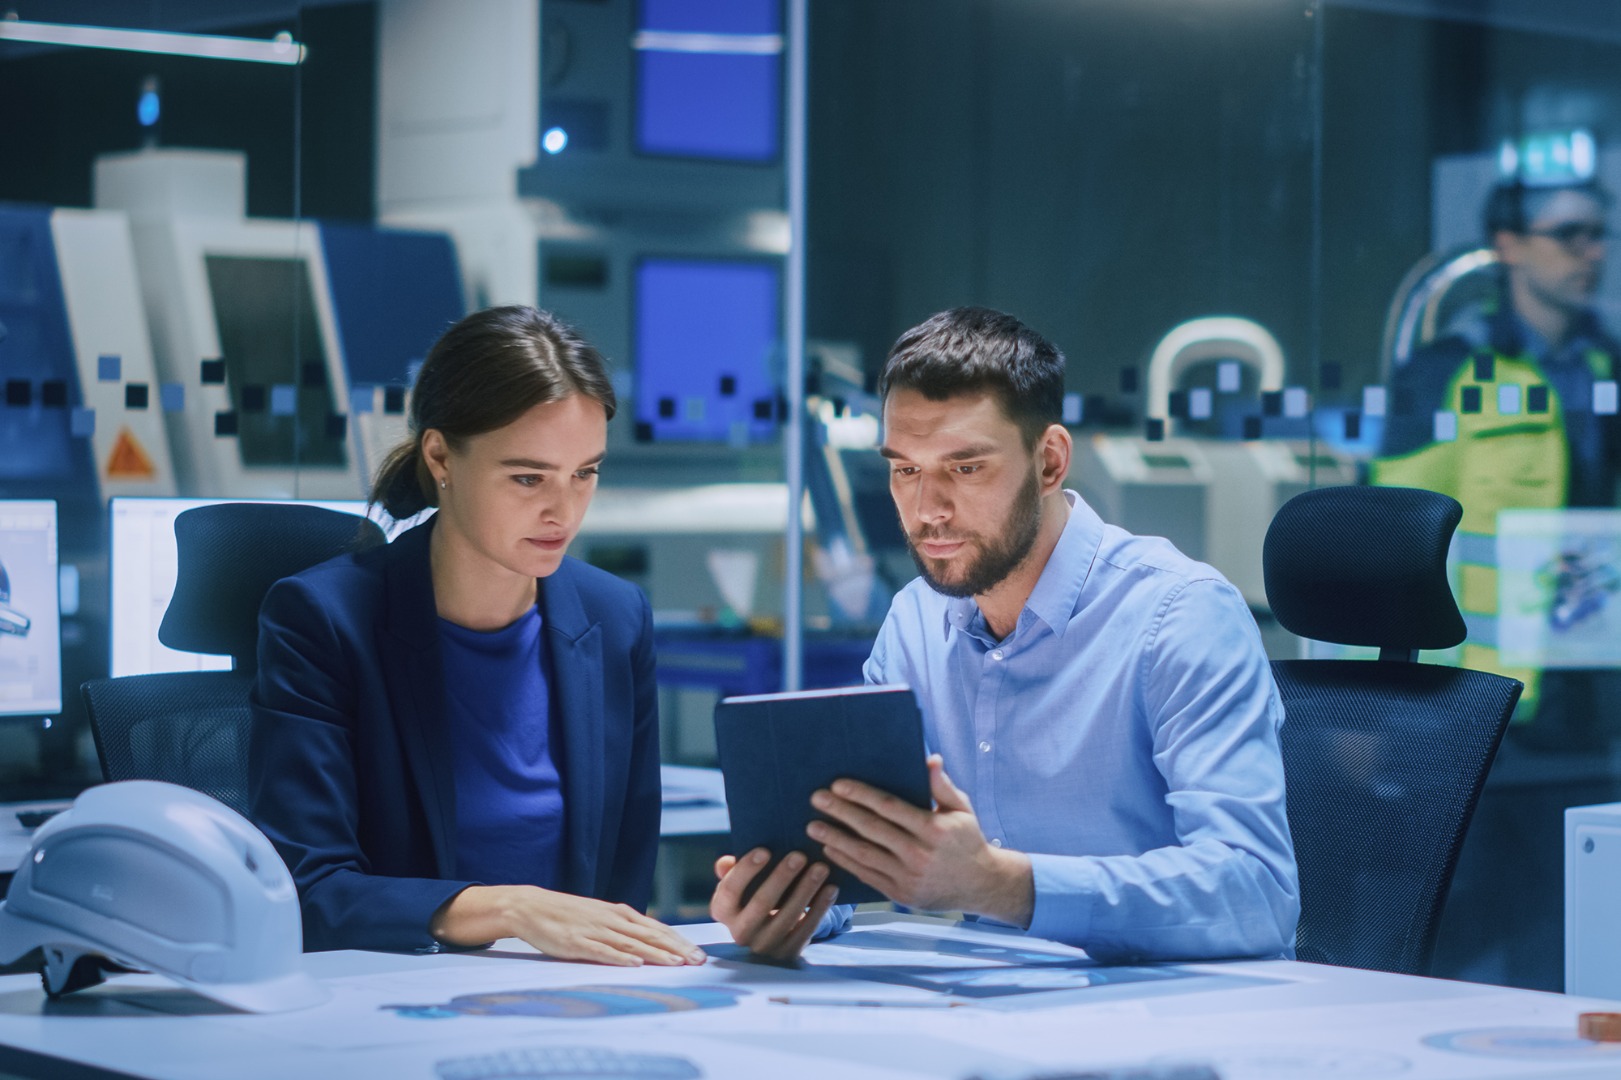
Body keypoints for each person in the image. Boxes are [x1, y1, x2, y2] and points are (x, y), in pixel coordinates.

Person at [711, 306, 1300, 962]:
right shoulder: (915, 621)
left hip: (1176, 1026)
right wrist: (792, 901)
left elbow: (1258, 896)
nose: (927, 509)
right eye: (905, 469)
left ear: (1048, 463)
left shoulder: (1180, 616)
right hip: (991, 1015)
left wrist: (1004, 885)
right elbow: (869, 855)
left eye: (964, 469)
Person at [251, 305, 705, 967]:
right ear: (440, 456)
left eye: (585, 474)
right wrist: (511, 908)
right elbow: (307, 890)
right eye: (528, 477)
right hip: (387, 1007)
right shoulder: (324, 619)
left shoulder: (614, 619)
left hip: (571, 1006)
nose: (563, 510)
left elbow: (620, 892)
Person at [1373, 179, 1621, 745]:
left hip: (1595, 687)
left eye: (1598, 235)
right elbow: (1389, 547)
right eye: (1568, 235)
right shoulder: (1447, 372)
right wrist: (1366, 708)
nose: (1593, 253)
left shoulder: (1609, 368)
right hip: (1483, 698)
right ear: (1508, 245)